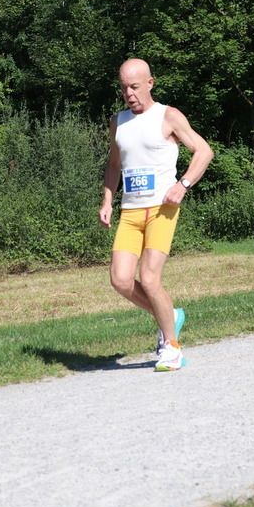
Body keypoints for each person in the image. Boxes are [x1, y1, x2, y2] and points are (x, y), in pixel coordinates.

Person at [98, 58, 214, 371]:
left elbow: (204, 151)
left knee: (149, 279)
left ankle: (171, 348)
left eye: (135, 87)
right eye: (124, 88)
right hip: (130, 212)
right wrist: (107, 201)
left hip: (162, 209)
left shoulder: (168, 116)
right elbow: (114, 165)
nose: (129, 94)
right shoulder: (118, 121)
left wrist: (183, 184)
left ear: (150, 83)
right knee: (120, 280)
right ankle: (169, 316)